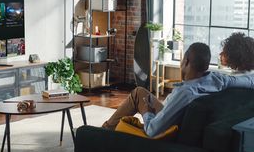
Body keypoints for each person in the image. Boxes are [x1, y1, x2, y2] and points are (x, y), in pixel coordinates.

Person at [102, 42, 254, 137]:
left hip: (168, 129)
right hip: (174, 113)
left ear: (186, 61)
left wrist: (147, 111)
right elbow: (248, 80)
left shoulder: (185, 93)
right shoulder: (219, 79)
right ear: (207, 66)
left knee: (137, 96)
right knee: (139, 92)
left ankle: (102, 134)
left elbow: (152, 130)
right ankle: (106, 129)